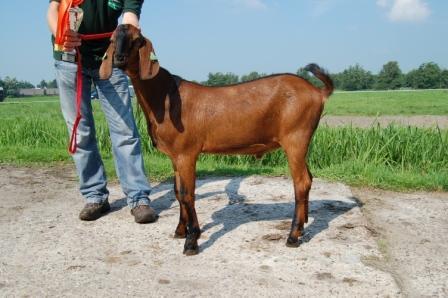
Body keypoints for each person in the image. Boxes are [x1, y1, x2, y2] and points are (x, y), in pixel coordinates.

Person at [47, 0, 157, 223]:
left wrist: (128, 33)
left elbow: (129, 17)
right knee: (80, 132)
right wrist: (61, 34)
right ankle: (95, 195)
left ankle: (138, 198)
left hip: (111, 58)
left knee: (124, 130)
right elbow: (54, 8)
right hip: (70, 58)